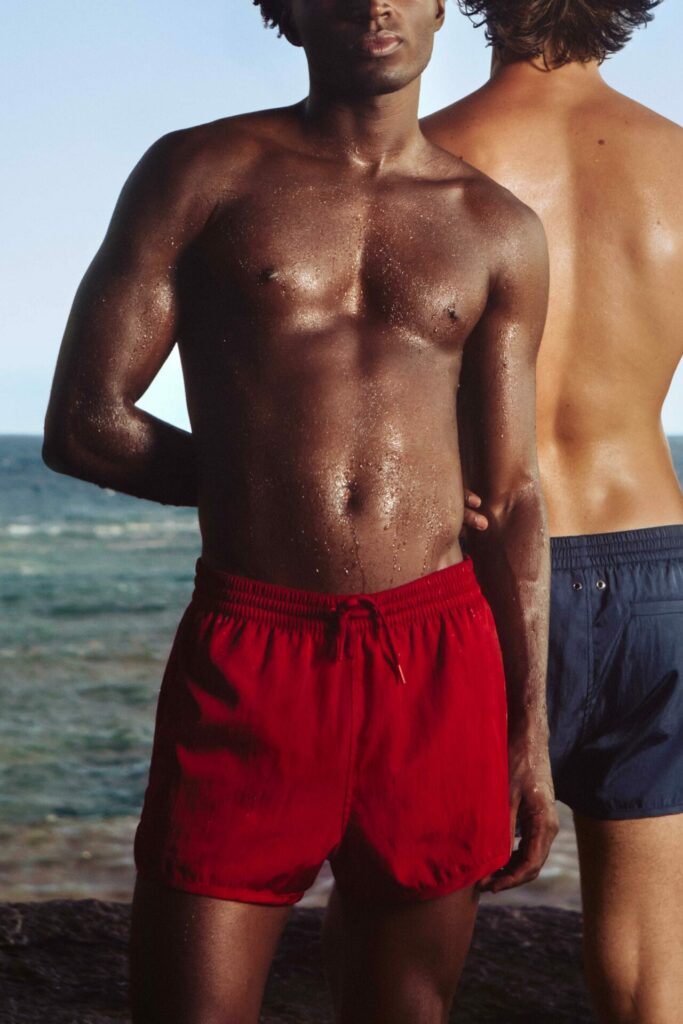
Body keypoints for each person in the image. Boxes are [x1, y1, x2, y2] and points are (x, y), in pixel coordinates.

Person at [43, 1, 558, 1021]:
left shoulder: (495, 227)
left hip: (436, 653)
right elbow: (86, 421)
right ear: (288, 9)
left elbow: (505, 498)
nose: (375, 5)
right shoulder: (199, 175)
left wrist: (527, 731)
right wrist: (264, 481)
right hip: (255, 644)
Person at [423, 3, 683, 1022]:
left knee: (414, 947)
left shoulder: (427, 155)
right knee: (649, 975)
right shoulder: (674, 162)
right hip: (659, 565)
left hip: (486, 564)